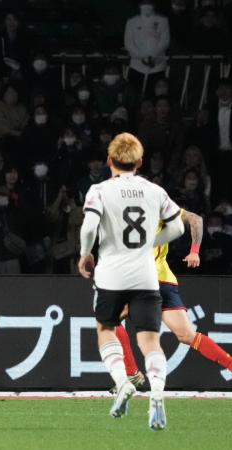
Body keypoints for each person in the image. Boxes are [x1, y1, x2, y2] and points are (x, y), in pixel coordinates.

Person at [77, 133, 184, 430]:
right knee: (150, 340)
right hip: (146, 274)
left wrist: (85, 253)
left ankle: (123, 382)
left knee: (106, 329)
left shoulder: (99, 190)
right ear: (139, 162)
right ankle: (158, 392)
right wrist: (151, 242)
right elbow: (177, 227)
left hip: (111, 272)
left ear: (110, 161)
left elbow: (88, 226)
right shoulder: (155, 191)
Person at [112, 207, 232, 388]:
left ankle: (132, 373)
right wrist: (194, 251)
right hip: (163, 282)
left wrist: (194, 251)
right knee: (186, 335)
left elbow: (196, 219)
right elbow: (196, 219)